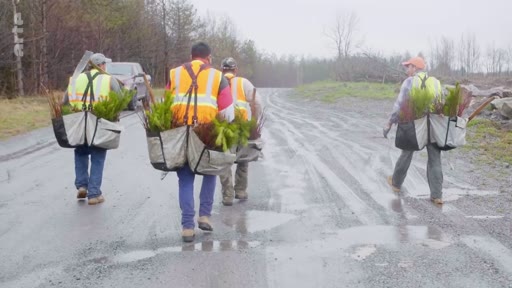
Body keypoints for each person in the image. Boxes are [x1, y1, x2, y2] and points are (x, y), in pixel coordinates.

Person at [167, 42, 234, 242]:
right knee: (210, 172)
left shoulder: (175, 74)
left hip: (180, 131)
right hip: (207, 133)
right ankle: (204, 215)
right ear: (209, 57)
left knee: (185, 178)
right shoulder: (217, 76)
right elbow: (228, 112)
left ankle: (187, 227)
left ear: (191, 55)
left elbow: (166, 105)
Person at [384, 56, 444, 205]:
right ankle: (437, 196)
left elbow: (399, 105)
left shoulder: (410, 82)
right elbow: (442, 104)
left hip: (415, 124)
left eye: (408, 67)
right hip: (434, 126)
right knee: (435, 159)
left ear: (415, 68)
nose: (406, 70)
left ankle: (396, 184)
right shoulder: (435, 82)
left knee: (406, 153)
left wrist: (390, 123)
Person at [63, 53, 121, 205]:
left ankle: (82, 185)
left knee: (81, 152)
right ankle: (94, 194)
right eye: (104, 64)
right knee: (98, 156)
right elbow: (120, 99)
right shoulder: (109, 79)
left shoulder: (76, 78)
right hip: (99, 122)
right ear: (101, 65)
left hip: (79, 121)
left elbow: (65, 101)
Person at [218, 57, 262, 206]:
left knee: (224, 161)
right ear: (235, 70)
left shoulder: (216, 82)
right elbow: (257, 102)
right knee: (243, 159)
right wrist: (254, 121)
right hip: (242, 128)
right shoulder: (244, 83)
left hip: (223, 128)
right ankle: (241, 191)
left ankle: (228, 195)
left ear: (222, 70)